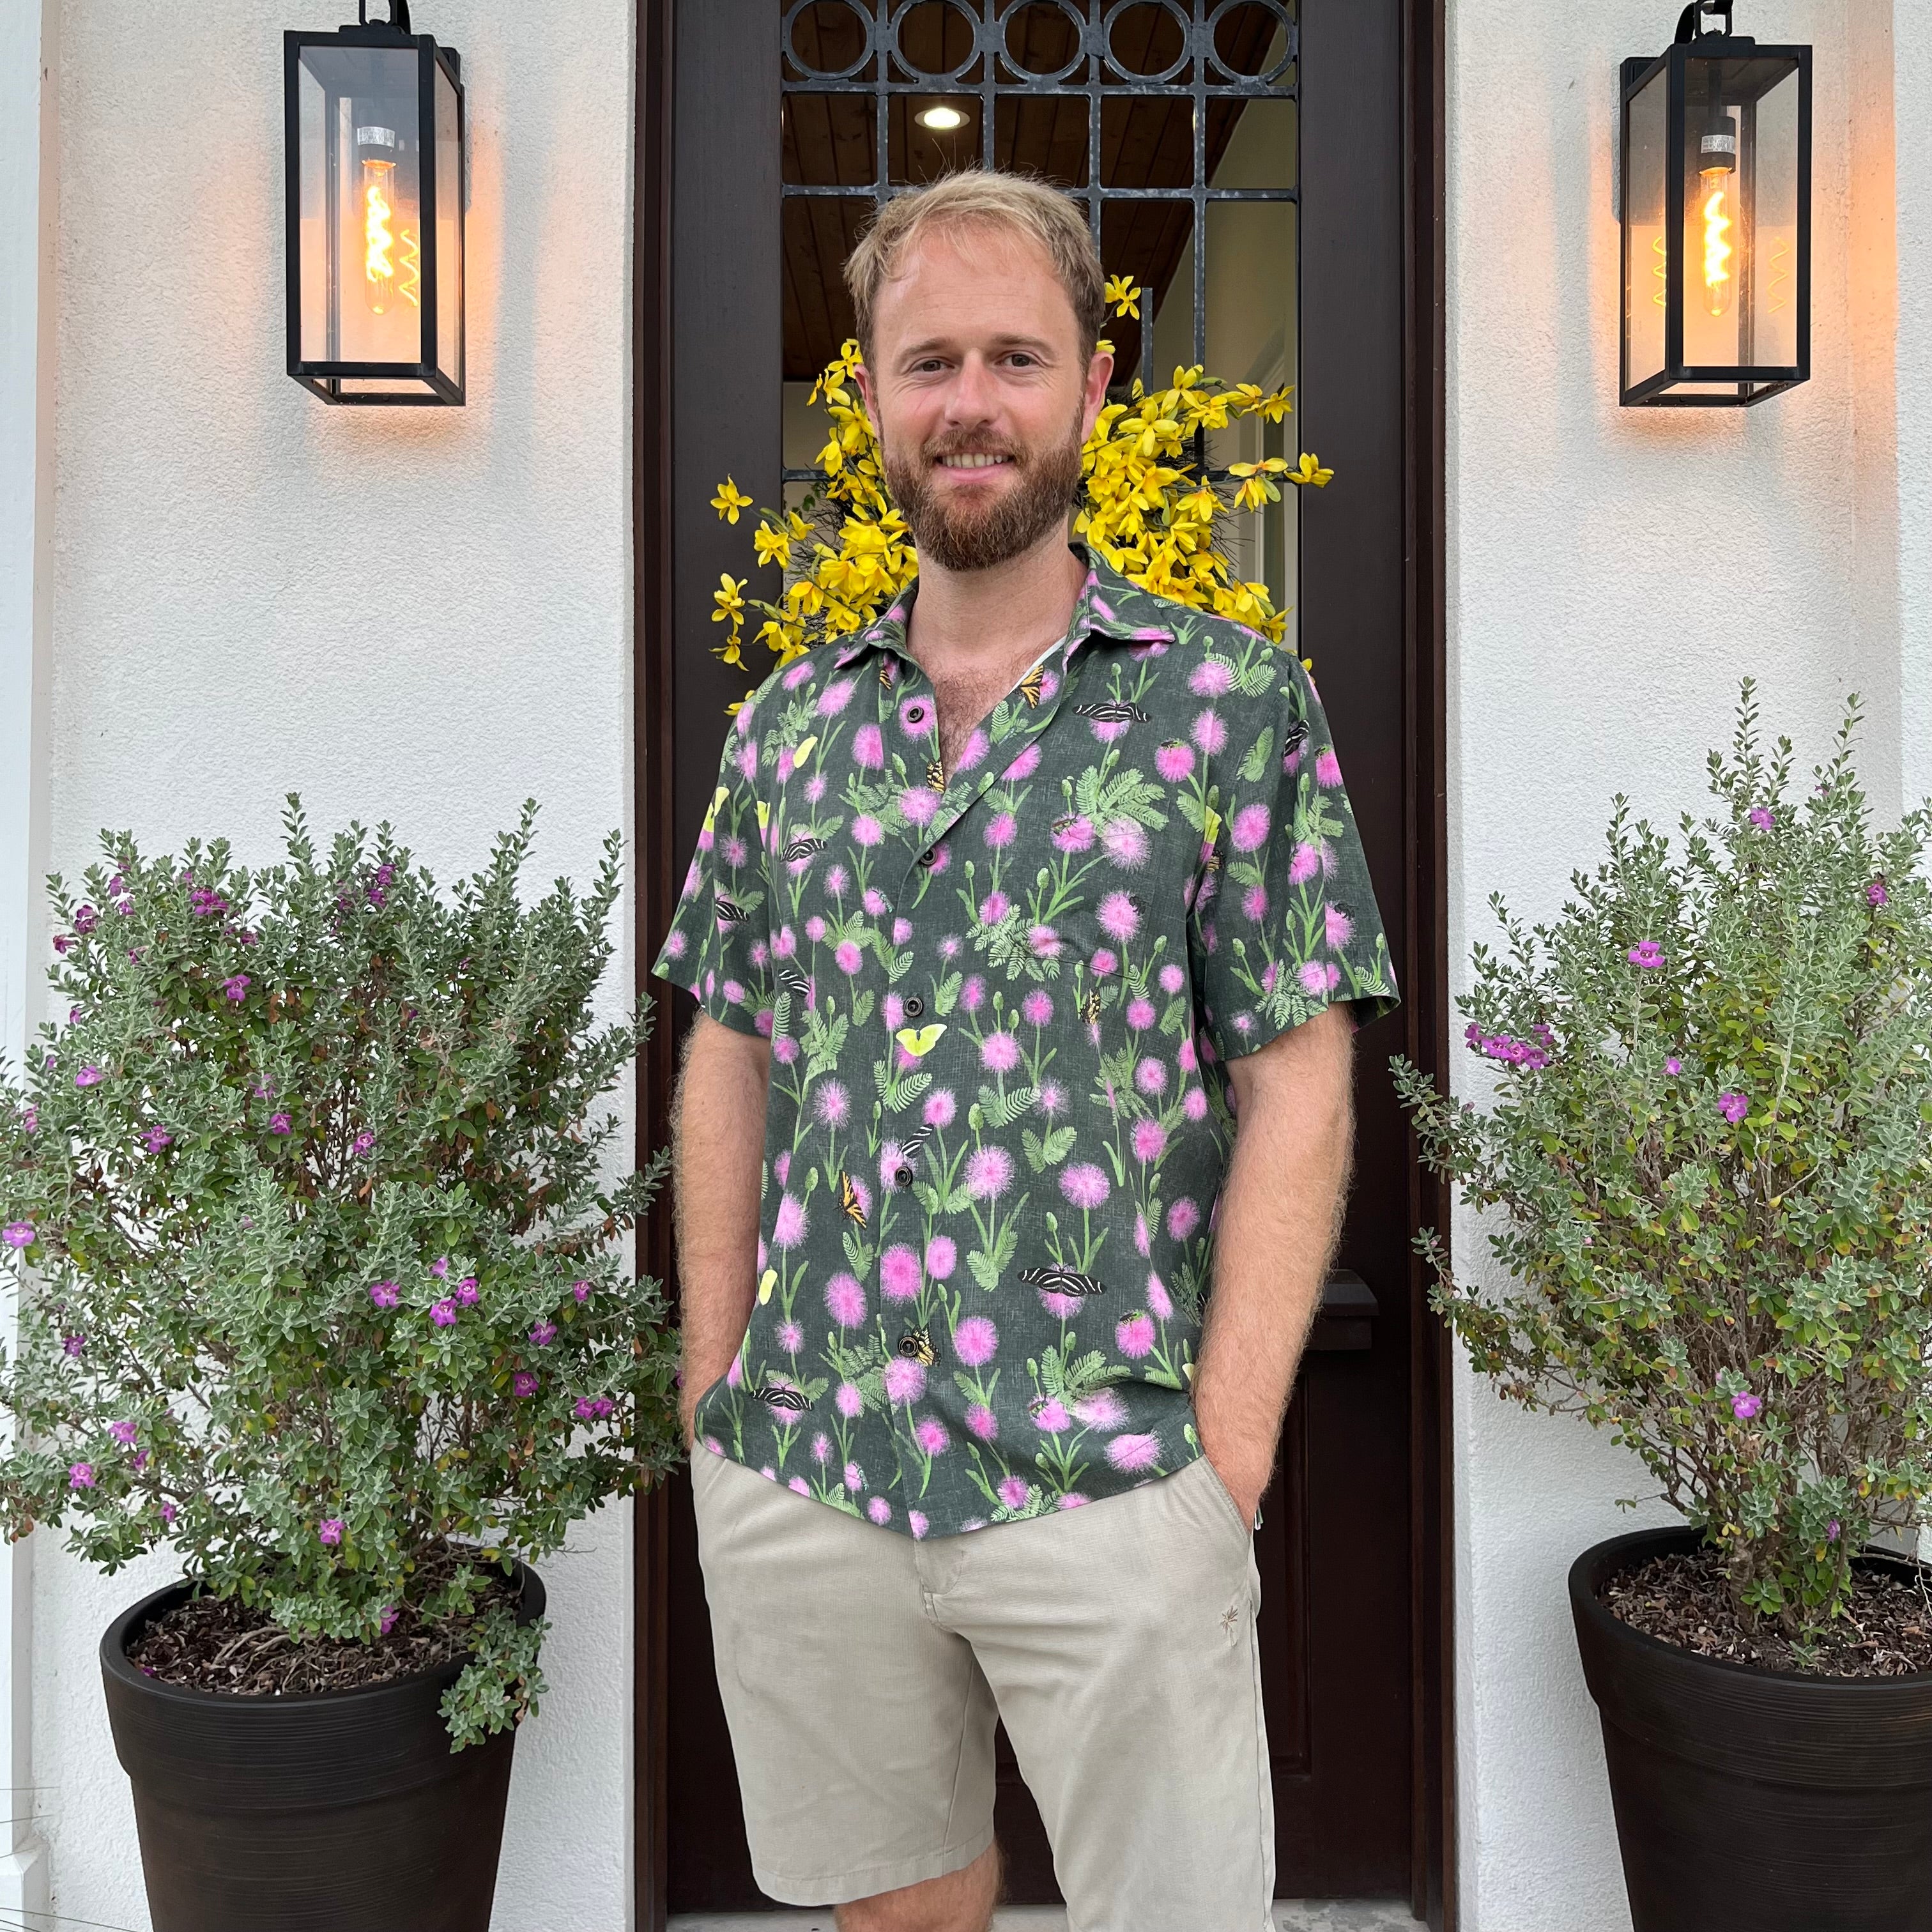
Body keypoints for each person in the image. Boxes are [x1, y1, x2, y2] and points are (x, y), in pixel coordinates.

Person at [654, 168, 1399, 1932]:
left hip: (1116, 1473)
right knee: (896, 1908)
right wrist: (714, 1392)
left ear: (1091, 391)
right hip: (811, 1461)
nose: (969, 404)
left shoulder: (1231, 703)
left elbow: (1296, 1071)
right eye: (928, 365)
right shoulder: (788, 732)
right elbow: (729, 1046)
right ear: (869, 402)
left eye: (1014, 357)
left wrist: (1228, 1452)